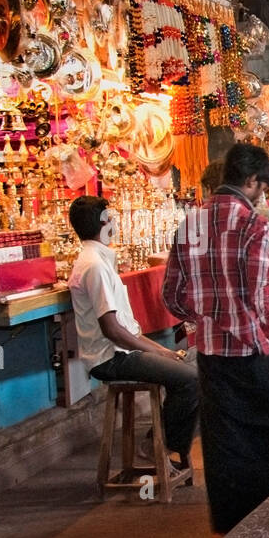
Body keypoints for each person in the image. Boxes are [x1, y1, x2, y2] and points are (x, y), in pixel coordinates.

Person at [163, 144, 269, 535]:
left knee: (225, 440)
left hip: (211, 353)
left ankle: (231, 527)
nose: (263, 195)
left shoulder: (189, 223)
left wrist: (207, 315)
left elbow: (172, 296)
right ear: (250, 180)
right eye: (262, 187)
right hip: (252, 350)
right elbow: (266, 298)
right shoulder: (253, 225)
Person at [68, 195, 198, 473]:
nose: (115, 224)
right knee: (190, 380)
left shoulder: (100, 260)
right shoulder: (94, 265)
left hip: (124, 350)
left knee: (202, 360)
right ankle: (156, 446)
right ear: (103, 225)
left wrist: (161, 351)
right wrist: (161, 351)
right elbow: (113, 331)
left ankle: (165, 444)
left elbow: (127, 328)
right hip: (112, 358)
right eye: (111, 219)